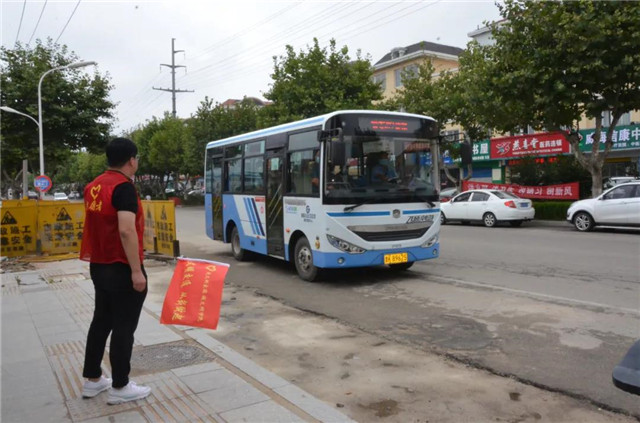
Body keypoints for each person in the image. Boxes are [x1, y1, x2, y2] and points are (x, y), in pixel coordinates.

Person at [79, 137, 151, 404]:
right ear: (131, 160)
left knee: (101, 321)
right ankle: (120, 386)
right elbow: (126, 230)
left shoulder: (93, 186)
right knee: (124, 326)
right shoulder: (123, 188)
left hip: (99, 265)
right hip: (121, 267)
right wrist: (136, 271)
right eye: (137, 158)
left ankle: (93, 380)